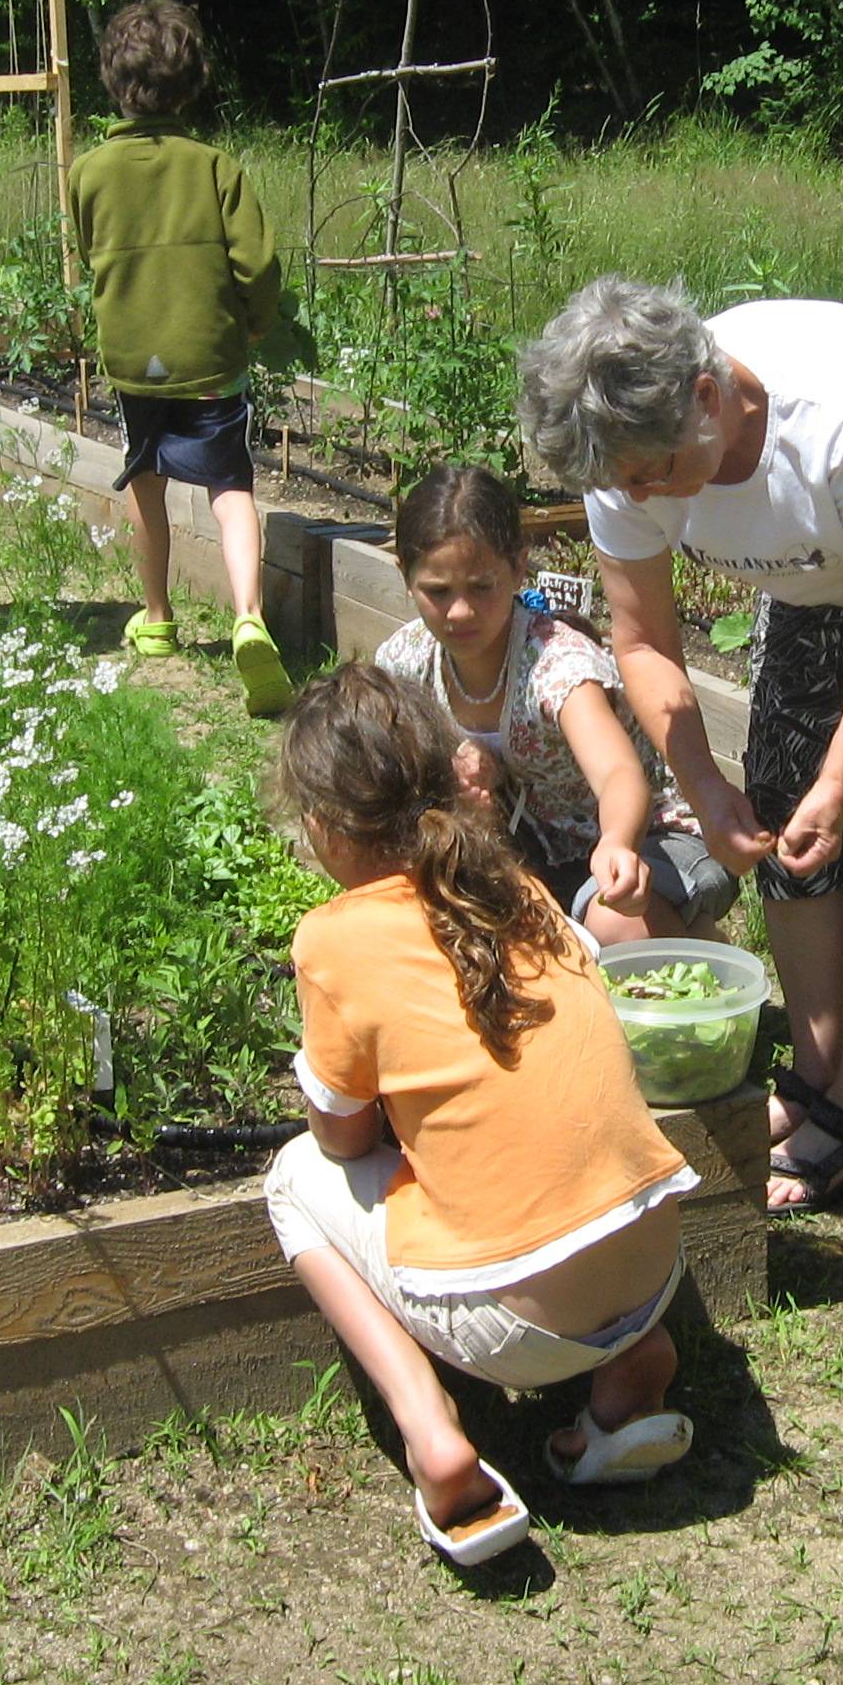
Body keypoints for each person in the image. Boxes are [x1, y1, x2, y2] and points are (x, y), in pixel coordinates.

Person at [519, 279, 843, 1215]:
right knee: (777, 806)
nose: (639, 498)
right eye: (622, 484)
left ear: (709, 397)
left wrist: (841, 781)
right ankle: (813, 1075)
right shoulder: (628, 457)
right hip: (823, 578)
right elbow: (641, 643)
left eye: (653, 472)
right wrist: (705, 790)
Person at [264, 665, 701, 1565]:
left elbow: (341, 1137)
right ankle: (628, 1361)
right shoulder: (524, 888)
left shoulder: (333, 938)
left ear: (320, 828)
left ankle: (434, 1434)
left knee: (294, 1181)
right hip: (658, 1258)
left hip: (514, 1325)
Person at [374, 462, 738, 946]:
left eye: (482, 587)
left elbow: (618, 775)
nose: (460, 611)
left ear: (519, 567)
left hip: (647, 840)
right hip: (529, 853)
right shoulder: (404, 663)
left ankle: (695, 952)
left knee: (611, 917)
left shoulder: (555, 664)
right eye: (437, 592)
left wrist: (617, 843)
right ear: (406, 576)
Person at [67, 0, 290, 716]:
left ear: (111, 80)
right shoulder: (216, 167)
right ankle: (248, 617)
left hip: (135, 359)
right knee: (231, 491)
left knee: (147, 483)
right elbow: (257, 267)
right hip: (211, 358)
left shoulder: (89, 170)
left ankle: (157, 617)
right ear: (193, 84)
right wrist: (253, 324)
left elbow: (89, 254)